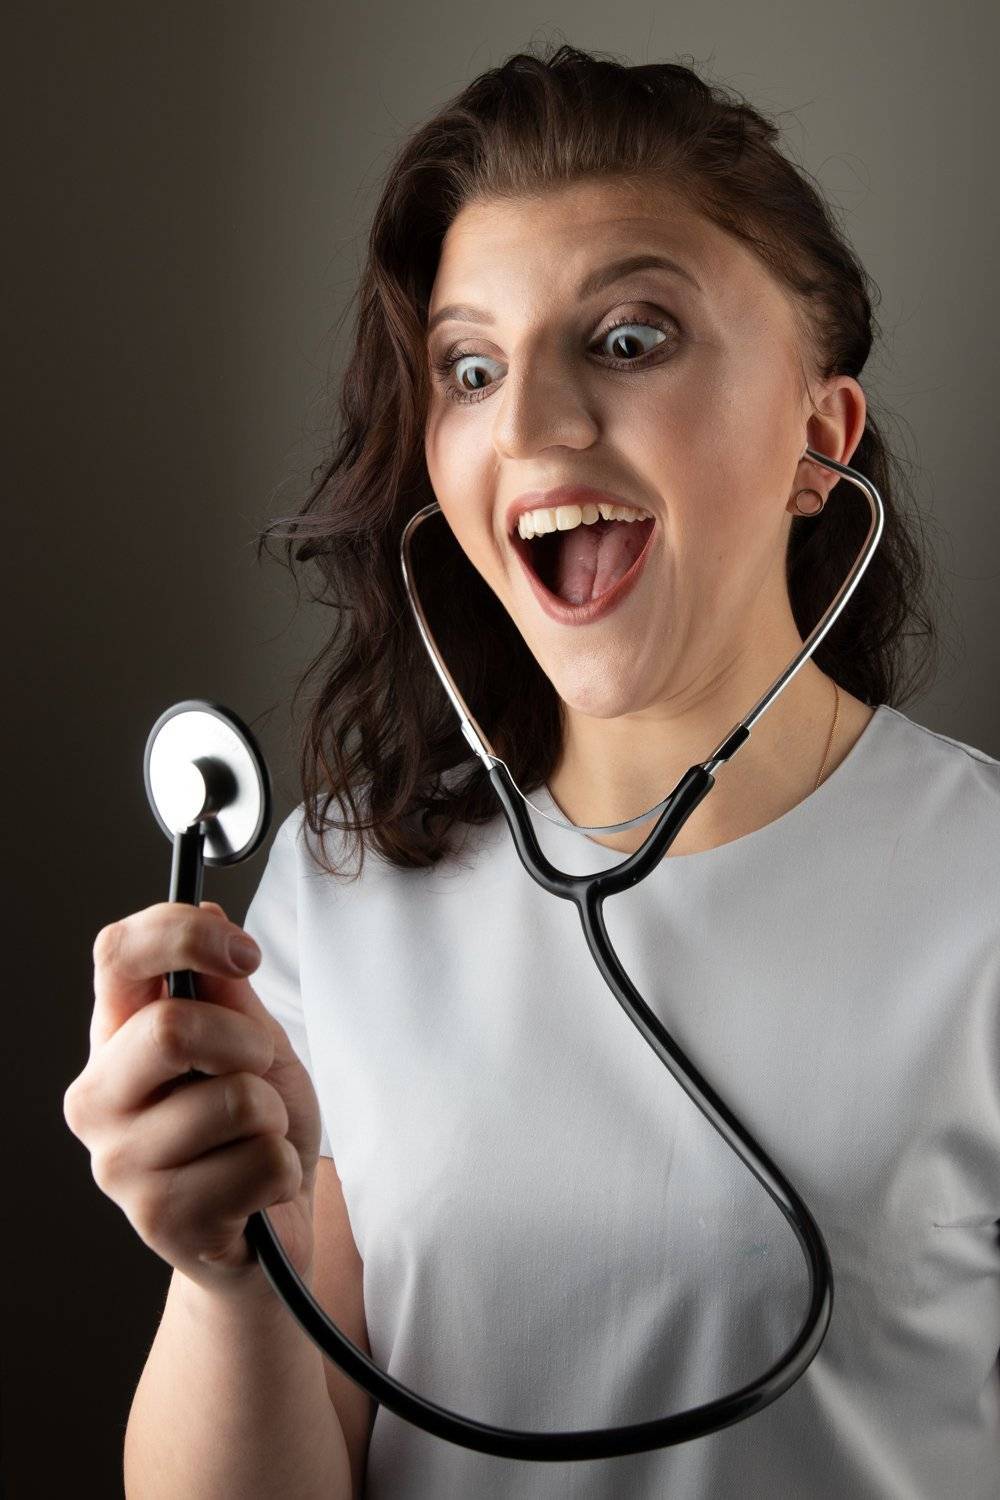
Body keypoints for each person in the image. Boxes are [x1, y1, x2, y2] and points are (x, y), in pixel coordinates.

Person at [64, 42, 999, 1500]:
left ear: (823, 437)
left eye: (629, 339)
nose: (533, 427)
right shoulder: (333, 889)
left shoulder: (983, 889)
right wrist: (222, 1274)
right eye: (471, 368)